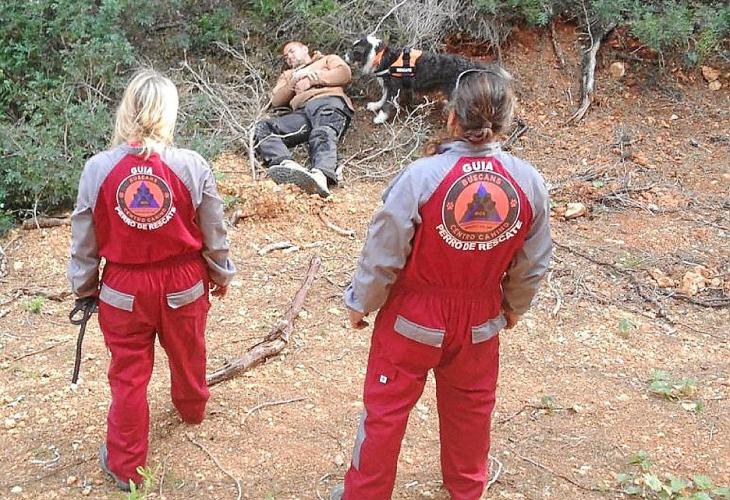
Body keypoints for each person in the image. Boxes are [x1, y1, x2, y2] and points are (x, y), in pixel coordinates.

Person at [332, 67, 553, 499]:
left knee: (385, 413)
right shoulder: (528, 181)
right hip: (480, 319)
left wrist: (362, 301)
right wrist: (513, 307)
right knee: (472, 412)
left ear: (452, 117)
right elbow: (534, 261)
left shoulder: (421, 176)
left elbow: (384, 249)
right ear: (505, 122)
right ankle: (467, 490)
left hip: (412, 317)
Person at [67, 69, 236, 491]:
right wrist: (221, 272)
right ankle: (192, 409)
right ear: (168, 112)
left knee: (128, 376)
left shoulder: (97, 168)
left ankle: (126, 467)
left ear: (126, 109)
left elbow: (84, 239)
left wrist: (85, 288)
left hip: (122, 288)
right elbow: (214, 229)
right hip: (184, 282)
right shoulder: (192, 164)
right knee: (189, 350)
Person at [254, 40, 354, 198]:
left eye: (292, 51)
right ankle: (287, 166)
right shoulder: (288, 75)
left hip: (328, 101)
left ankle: (321, 176)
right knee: (263, 127)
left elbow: (344, 73)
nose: (289, 57)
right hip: (302, 112)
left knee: (323, 132)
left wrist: (313, 79)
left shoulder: (326, 59)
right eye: (286, 57)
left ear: (305, 49)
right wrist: (293, 81)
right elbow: (275, 101)